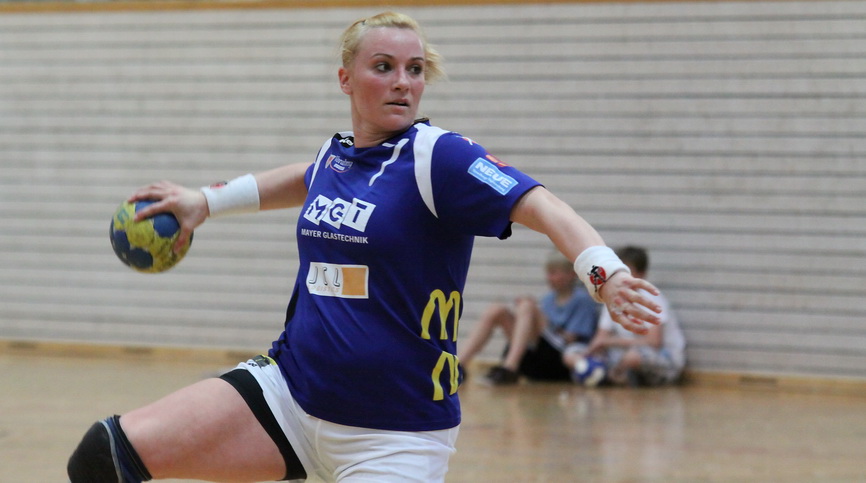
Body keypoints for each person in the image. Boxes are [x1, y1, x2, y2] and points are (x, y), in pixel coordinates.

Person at [67, 11, 663, 483]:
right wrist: (206, 200)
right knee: (104, 454)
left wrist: (604, 273)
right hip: (290, 396)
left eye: (415, 69)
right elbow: (304, 177)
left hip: (395, 434)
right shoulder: (339, 155)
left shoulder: (439, 157)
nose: (403, 81)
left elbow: (542, 205)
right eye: (384, 67)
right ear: (346, 79)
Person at [457, 250, 599, 385]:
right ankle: (458, 365)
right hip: (536, 357)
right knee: (497, 310)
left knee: (527, 306)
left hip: (560, 362)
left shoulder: (582, 300)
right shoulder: (548, 299)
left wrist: (538, 319)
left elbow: (570, 340)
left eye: (554, 273)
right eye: (548, 273)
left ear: (571, 274)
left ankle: (509, 368)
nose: (549, 278)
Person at [564, 246, 686, 387]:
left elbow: (654, 342)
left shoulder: (652, 299)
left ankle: (614, 375)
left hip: (663, 359)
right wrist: (586, 355)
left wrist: (610, 342)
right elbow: (600, 338)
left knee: (633, 357)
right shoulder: (613, 297)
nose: (620, 277)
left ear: (641, 275)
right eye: (617, 271)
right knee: (571, 352)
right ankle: (606, 374)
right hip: (622, 357)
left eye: (627, 272)